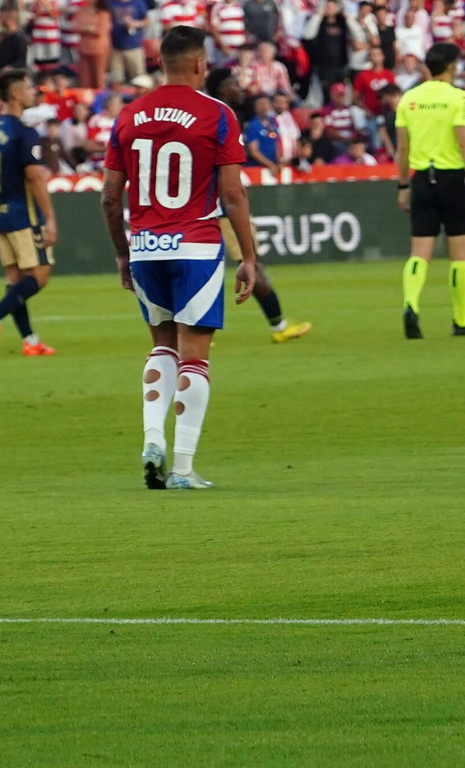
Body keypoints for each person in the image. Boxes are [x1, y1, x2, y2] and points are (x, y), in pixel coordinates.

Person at [100, 26, 258, 490]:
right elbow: (233, 194)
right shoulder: (217, 114)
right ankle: (184, 468)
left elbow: (110, 199)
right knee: (195, 358)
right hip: (196, 245)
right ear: (196, 64)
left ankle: (153, 440)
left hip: (146, 246)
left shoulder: (129, 115)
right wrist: (249, 256)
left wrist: (122, 253)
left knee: (161, 347)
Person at [394, 42, 465, 339]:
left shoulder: (409, 99)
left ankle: (411, 304)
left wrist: (402, 186)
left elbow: (402, 147)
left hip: (422, 179)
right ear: (452, 66)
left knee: (419, 252)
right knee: (460, 254)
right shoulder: (459, 98)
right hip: (452, 180)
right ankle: (461, 322)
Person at [209, 70, 312, 345]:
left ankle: (189, 331)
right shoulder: (221, 117)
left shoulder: (219, 115)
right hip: (221, 208)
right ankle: (279, 326)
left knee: (211, 267)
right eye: (232, 84)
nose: (239, 88)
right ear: (221, 89)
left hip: (214, 206)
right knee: (251, 264)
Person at [0, 67, 59, 359]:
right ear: (15, 94)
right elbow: (35, 177)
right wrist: (49, 217)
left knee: (15, 279)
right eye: (29, 88)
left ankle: (30, 340)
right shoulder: (24, 132)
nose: (33, 91)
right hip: (24, 214)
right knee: (40, 275)